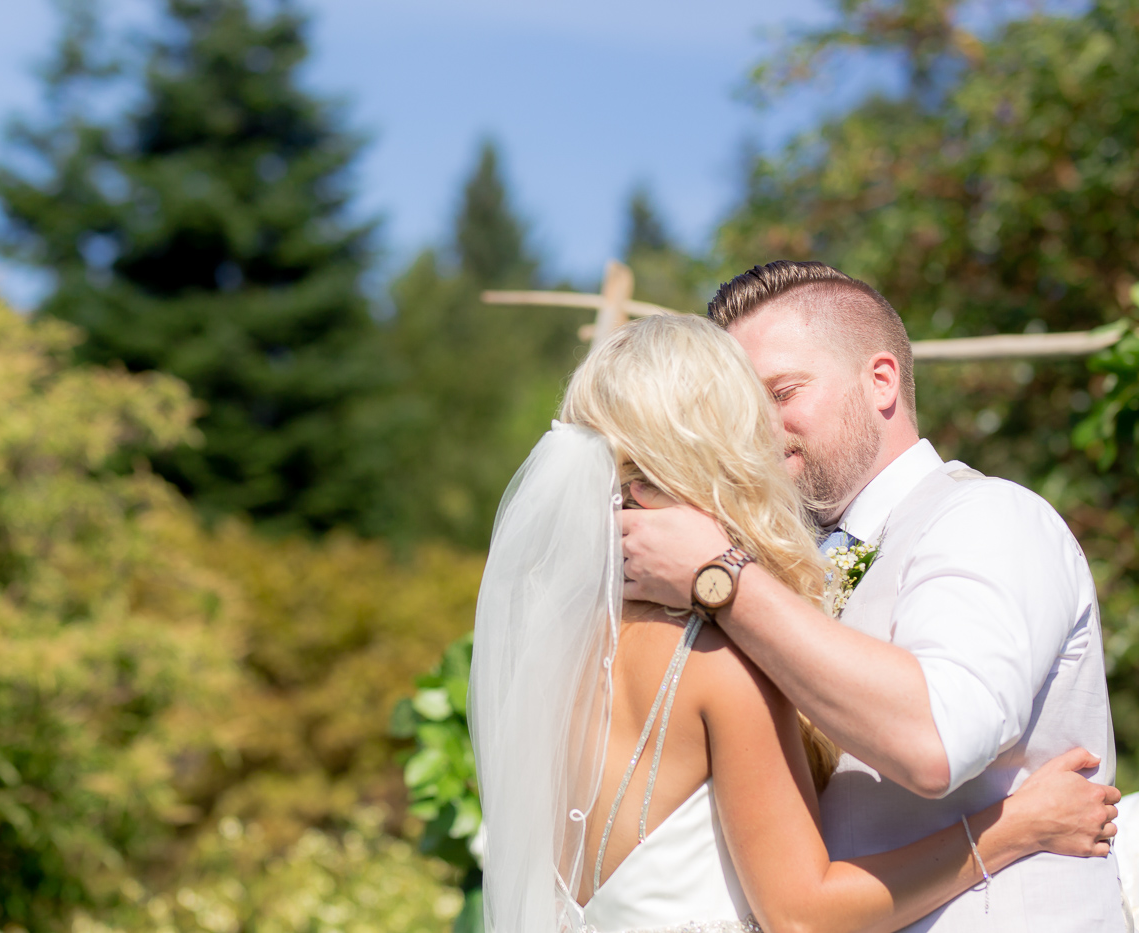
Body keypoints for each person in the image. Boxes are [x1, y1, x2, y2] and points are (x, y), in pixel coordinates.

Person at [469, 312, 1118, 933]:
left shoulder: (557, 658)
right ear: (721, 448)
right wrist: (1013, 828)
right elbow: (805, 915)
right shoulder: (719, 661)